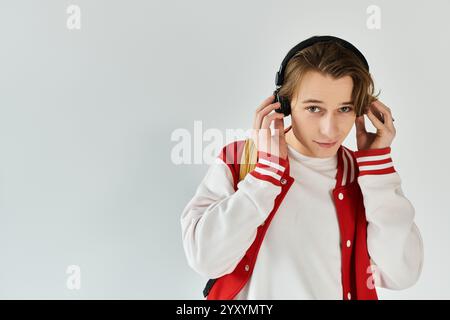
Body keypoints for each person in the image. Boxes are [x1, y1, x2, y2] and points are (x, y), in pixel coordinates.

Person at [180, 36, 424, 300]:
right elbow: (205, 259)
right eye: (314, 108)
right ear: (283, 106)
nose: (330, 129)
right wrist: (265, 177)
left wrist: (378, 169)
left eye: (344, 108)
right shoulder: (240, 159)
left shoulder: (366, 175)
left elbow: (401, 274)